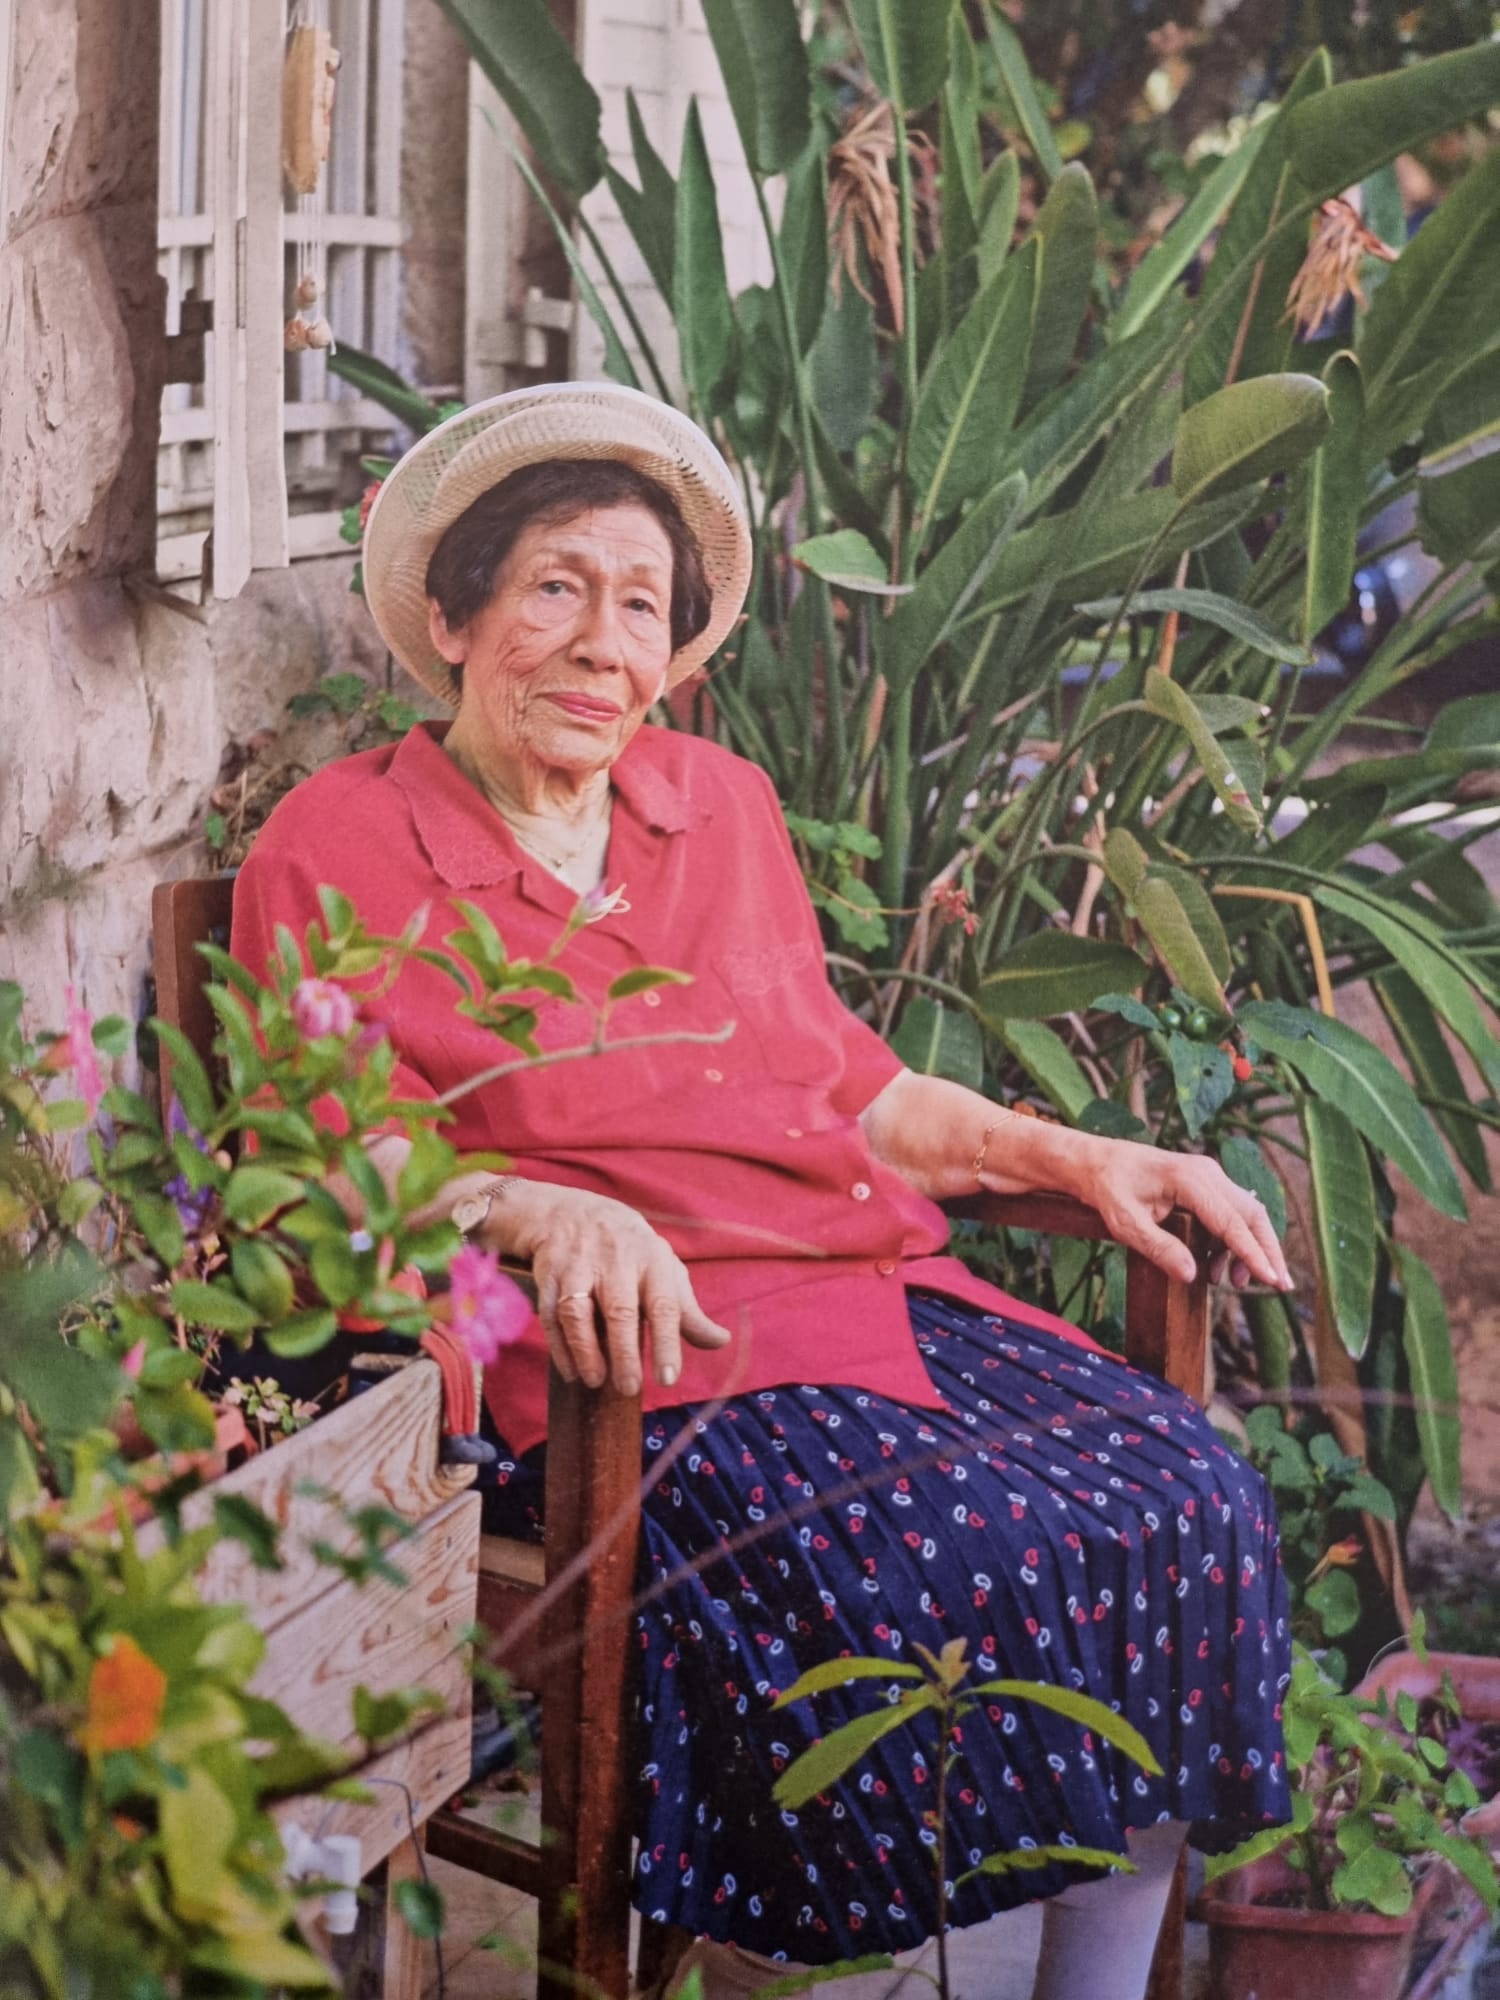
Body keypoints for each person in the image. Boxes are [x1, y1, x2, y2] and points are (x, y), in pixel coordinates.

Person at [232, 383, 1293, 2000]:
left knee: (1188, 1501)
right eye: (556, 588)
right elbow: (315, 1156)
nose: (601, 645)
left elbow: (855, 1091)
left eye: (638, 606)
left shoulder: (715, 805)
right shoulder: (340, 845)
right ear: (453, 619)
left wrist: (1078, 1154)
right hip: (607, 1360)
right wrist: (523, 1206)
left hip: (857, 1298)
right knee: (902, 1572)